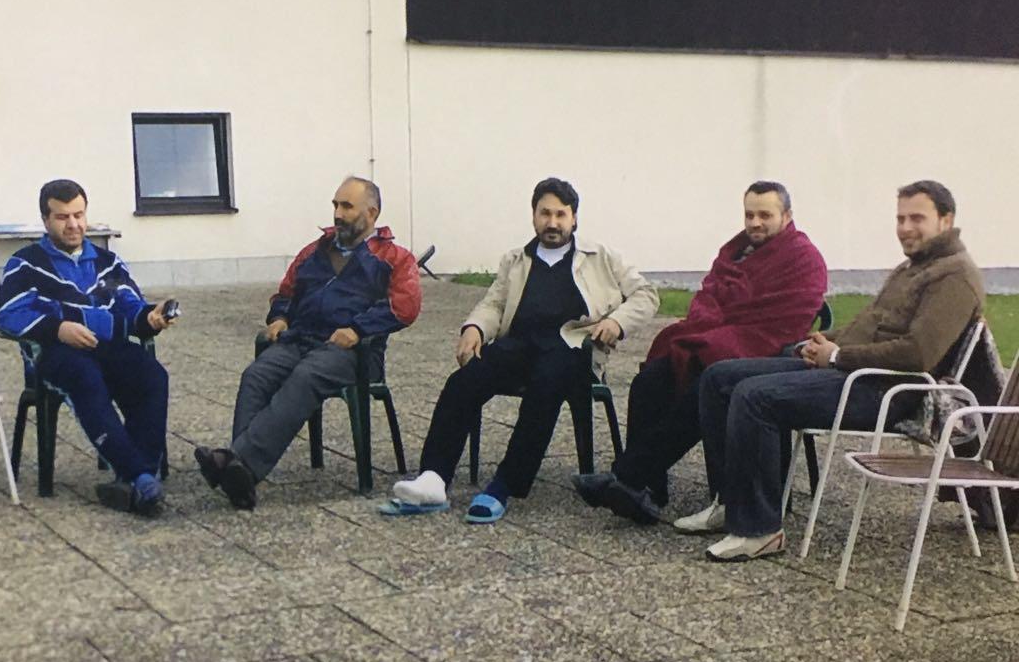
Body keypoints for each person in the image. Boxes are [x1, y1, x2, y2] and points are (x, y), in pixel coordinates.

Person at [691, 179, 985, 562]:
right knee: (720, 377)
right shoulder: (913, 267)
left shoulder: (954, 276)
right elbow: (869, 329)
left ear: (945, 220)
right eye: (900, 219)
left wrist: (836, 356)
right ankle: (732, 501)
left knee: (754, 396)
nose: (905, 228)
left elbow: (918, 355)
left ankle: (759, 529)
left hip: (888, 392)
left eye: (917, 219)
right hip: (855, 373)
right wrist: (820, 341)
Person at [387, 177, 659, 522]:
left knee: (546, 384)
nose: (552, 222)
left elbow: (646, 295)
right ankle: (434, 478)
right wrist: (474, 328)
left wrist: (617, 322)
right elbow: (494, 304)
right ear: (533, 216)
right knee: (464, 380)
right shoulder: (516, 259)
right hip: (519, 345)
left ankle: (504, 485)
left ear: (574, 218)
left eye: (560, 214)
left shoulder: (601, 257)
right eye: (545, 213)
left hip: (572, 348)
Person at [572, 181, 828, 524]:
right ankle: (648, 490)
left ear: (787, 216)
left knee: (706, 384)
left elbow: (786, 319)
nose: (755, 223)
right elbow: (708, 296)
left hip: (762, 350)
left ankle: (629, 477)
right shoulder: (734, 251)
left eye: (765, 215)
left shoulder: (804, 259)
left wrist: (722, 330)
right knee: (649, 381)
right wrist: (712, 323)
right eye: (749, 215)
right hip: (715, 338)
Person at [195, 177, 420, 509]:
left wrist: (358, 329)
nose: (338, 214)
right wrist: (279, 317)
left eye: (347, 206)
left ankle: (236, 463)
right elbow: (285, 293)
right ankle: (239, 472)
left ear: (372, 213)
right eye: (335, 205)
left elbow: (405, 306)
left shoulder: (393, 257)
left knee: (306, 376)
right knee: (256, 375)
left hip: (352, 352)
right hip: (300, 339)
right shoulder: (314, 251)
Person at [0, 179, 177, 515]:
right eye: (63, 217)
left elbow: (131, 310)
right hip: (54, 354)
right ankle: (141, 478)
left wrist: (151, 318)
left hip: (107, 348)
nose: (74, 224)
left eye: (79, 215)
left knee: (151, 375)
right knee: (86, 377)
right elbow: (5, 316)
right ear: (46, 220)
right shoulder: (25, 264)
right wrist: (58, 329)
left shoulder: (108, 262)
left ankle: (135, 478)